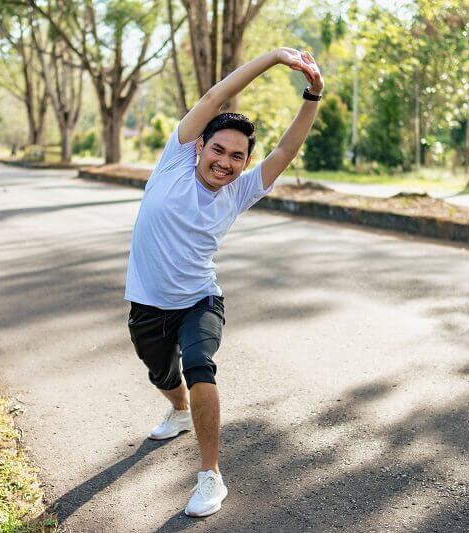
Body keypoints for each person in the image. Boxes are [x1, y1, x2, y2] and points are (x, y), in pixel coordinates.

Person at [125, 47, 324, 517]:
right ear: (199, 146)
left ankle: (210, 477)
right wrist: (275, 58)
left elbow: (286, 149)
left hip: (201, 300)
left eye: (237, 156)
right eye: (218, 149)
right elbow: (217, 95)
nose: (225, 162)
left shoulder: (239, 191)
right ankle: (176, 410)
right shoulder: (173, 162)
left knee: (199, 367)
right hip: (147, 303)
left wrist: (312, 95)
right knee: (161, 372)